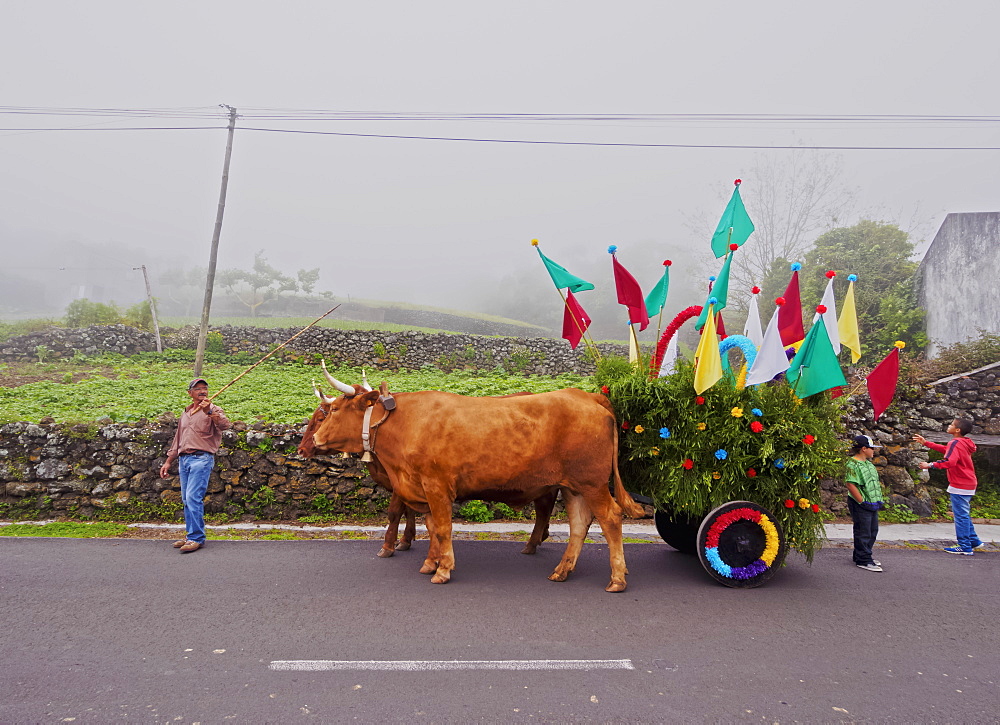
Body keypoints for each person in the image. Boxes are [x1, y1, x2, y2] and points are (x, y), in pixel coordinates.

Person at [159, 378, 231, 553]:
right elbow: (178, 440)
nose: (202, 391)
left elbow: (224, 425)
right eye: (198, 389)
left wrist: (209, 411)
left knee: (193, 497)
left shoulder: (213, 409)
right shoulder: (186, 413)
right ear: (190, 393)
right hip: (184, 459)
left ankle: (196, 538)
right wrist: (169, 461)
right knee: (186, 500)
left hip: (201, 458)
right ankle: (191, 534)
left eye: (204, 388)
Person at [913, 419, 983, 556]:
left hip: (960, 483)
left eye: (951, 425)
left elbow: (950, 461)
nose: (948, 426)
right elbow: (947, 450)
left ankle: (964, 546)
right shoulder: (963, 442)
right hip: (968, 482)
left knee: (960, 516)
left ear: (957, 430)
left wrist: (930, 465)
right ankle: (973, 541)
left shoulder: (955, 442)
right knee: (964, 514)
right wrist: (926, 443)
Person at [845, 434, 885, 572]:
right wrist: (861, 502)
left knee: (873, 530)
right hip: (861, 503)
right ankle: (864, 560)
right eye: (871, 448)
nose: (873, 451)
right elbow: (850, 484)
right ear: (863, 449)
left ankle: (861, 555)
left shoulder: (868, 463)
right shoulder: (852, 464)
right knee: (864, 531)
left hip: (872, 502)